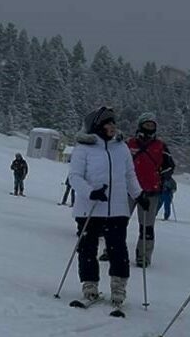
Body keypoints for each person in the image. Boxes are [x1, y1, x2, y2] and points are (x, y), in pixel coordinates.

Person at [69, 106, 145, 310]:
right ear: (97, 126)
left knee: (118, 249)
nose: (112, 126)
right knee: (87, 248)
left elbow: (129, 174)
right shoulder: (83, 148)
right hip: (90, 208)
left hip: (117, 208)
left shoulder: (121, 148)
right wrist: (90, 192)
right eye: (108, 123)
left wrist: (139, 194)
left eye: (113, 123)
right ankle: (90, 286)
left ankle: (118, 290)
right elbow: (74, 177)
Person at [126, 112, 175, 267]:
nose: (149, 128)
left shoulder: (161, 146)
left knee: (146, 226)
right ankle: (111, 248)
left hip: (150, 192)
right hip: (128, 189)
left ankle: (144, 255)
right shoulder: (129, 143)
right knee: (118, 222)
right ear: (141, 125)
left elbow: (170, 166)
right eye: (147, 124)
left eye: (152, 125)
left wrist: (162, 176)